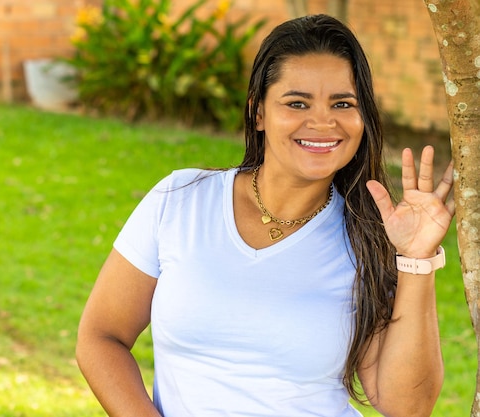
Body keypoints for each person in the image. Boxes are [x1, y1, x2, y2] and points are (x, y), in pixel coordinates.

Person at [76, 14, 455, 417]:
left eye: (342, 104)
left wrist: (417, 259)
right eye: (297, 103)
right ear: (258, 112)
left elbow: (407, 407)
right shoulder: (180, 201)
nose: (323, 122)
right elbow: (102, 337)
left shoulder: (366, 239)